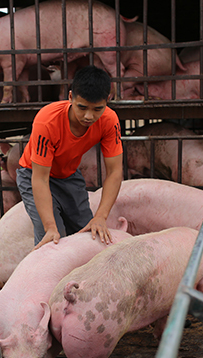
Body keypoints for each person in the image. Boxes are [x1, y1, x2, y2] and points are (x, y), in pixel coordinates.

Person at [16, 65, 123, 250]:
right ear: (70, 97)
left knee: (87, 231)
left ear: (108, 100)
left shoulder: (109, 120)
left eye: (97, 109)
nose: (89, 116)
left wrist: (101, 217)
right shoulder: (47, 120)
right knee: (52, 240)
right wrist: (50, 227)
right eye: (82, 107)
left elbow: (115, 171)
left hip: (69, 175)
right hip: (34, 174)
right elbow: (40, 178)